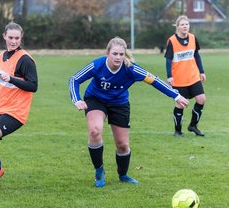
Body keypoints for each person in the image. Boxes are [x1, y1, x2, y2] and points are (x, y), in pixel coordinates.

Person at [69, 36, 188, 188]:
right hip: (95, 99)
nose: (118, 57)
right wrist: (77, 99)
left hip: (119, 103)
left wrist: (176, 96)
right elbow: (74, 79)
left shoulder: (131, 68)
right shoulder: (98, 65)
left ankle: (123, 174)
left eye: (121, 54)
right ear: (108, 53)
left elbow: (155, 80)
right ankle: (99, 171)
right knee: (94, 131)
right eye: (115, 54)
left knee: (123, 145)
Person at [0, 22, 38, 189]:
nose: (14, 41)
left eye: (17, 38)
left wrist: (13, 79)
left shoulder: (25, 60)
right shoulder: (1, 57)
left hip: (15, 113)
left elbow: (33, 85)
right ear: (4, 36)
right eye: (10, 37)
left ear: (21, 38)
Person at [164, 15, 206, 137]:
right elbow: (168, 60)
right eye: (182, 24)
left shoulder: (193, 38)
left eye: (186, 24)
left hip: (193, 77)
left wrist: (201, 71)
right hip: (179, 79)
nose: (185, 26)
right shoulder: (172, 41)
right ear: (178, 27)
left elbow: (196, 55)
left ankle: (193, 126)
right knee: (180, 104)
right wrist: (169, 76)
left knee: (201, 99)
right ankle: (177, 131)